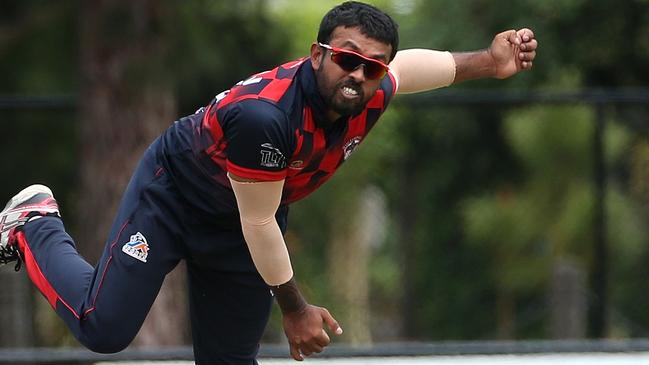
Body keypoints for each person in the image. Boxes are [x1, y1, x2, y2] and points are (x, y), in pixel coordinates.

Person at [0, 1, 537, 364]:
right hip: (176, 197)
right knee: (104, 329)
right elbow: (258, 219)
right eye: (348, 59)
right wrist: (296, 308)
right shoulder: (266, 116)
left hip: (242, 222)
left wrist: (489, 63)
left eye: (372, 67)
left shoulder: (371, 88)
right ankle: (34, 223)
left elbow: (423, 67)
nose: (358, 74)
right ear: (318, 54)